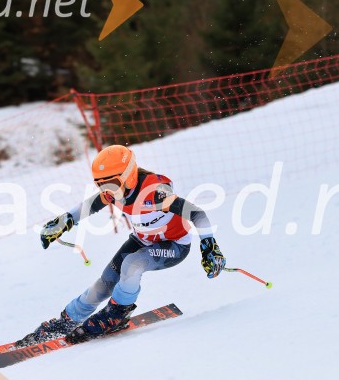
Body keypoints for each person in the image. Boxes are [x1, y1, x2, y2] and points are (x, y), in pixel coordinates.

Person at [18, 144, 226, 345]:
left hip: (174, 245)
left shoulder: (155, 192)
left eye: (112, 184)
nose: (108, 191)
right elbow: (88, 205)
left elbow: (196, 213)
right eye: (101, 185)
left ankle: (117, 313)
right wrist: (64, 221)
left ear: (129, 175)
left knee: (132, 264)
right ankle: (68, 320)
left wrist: (209, 245)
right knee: (105, 283)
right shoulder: (112, 193)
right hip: (141, 240)